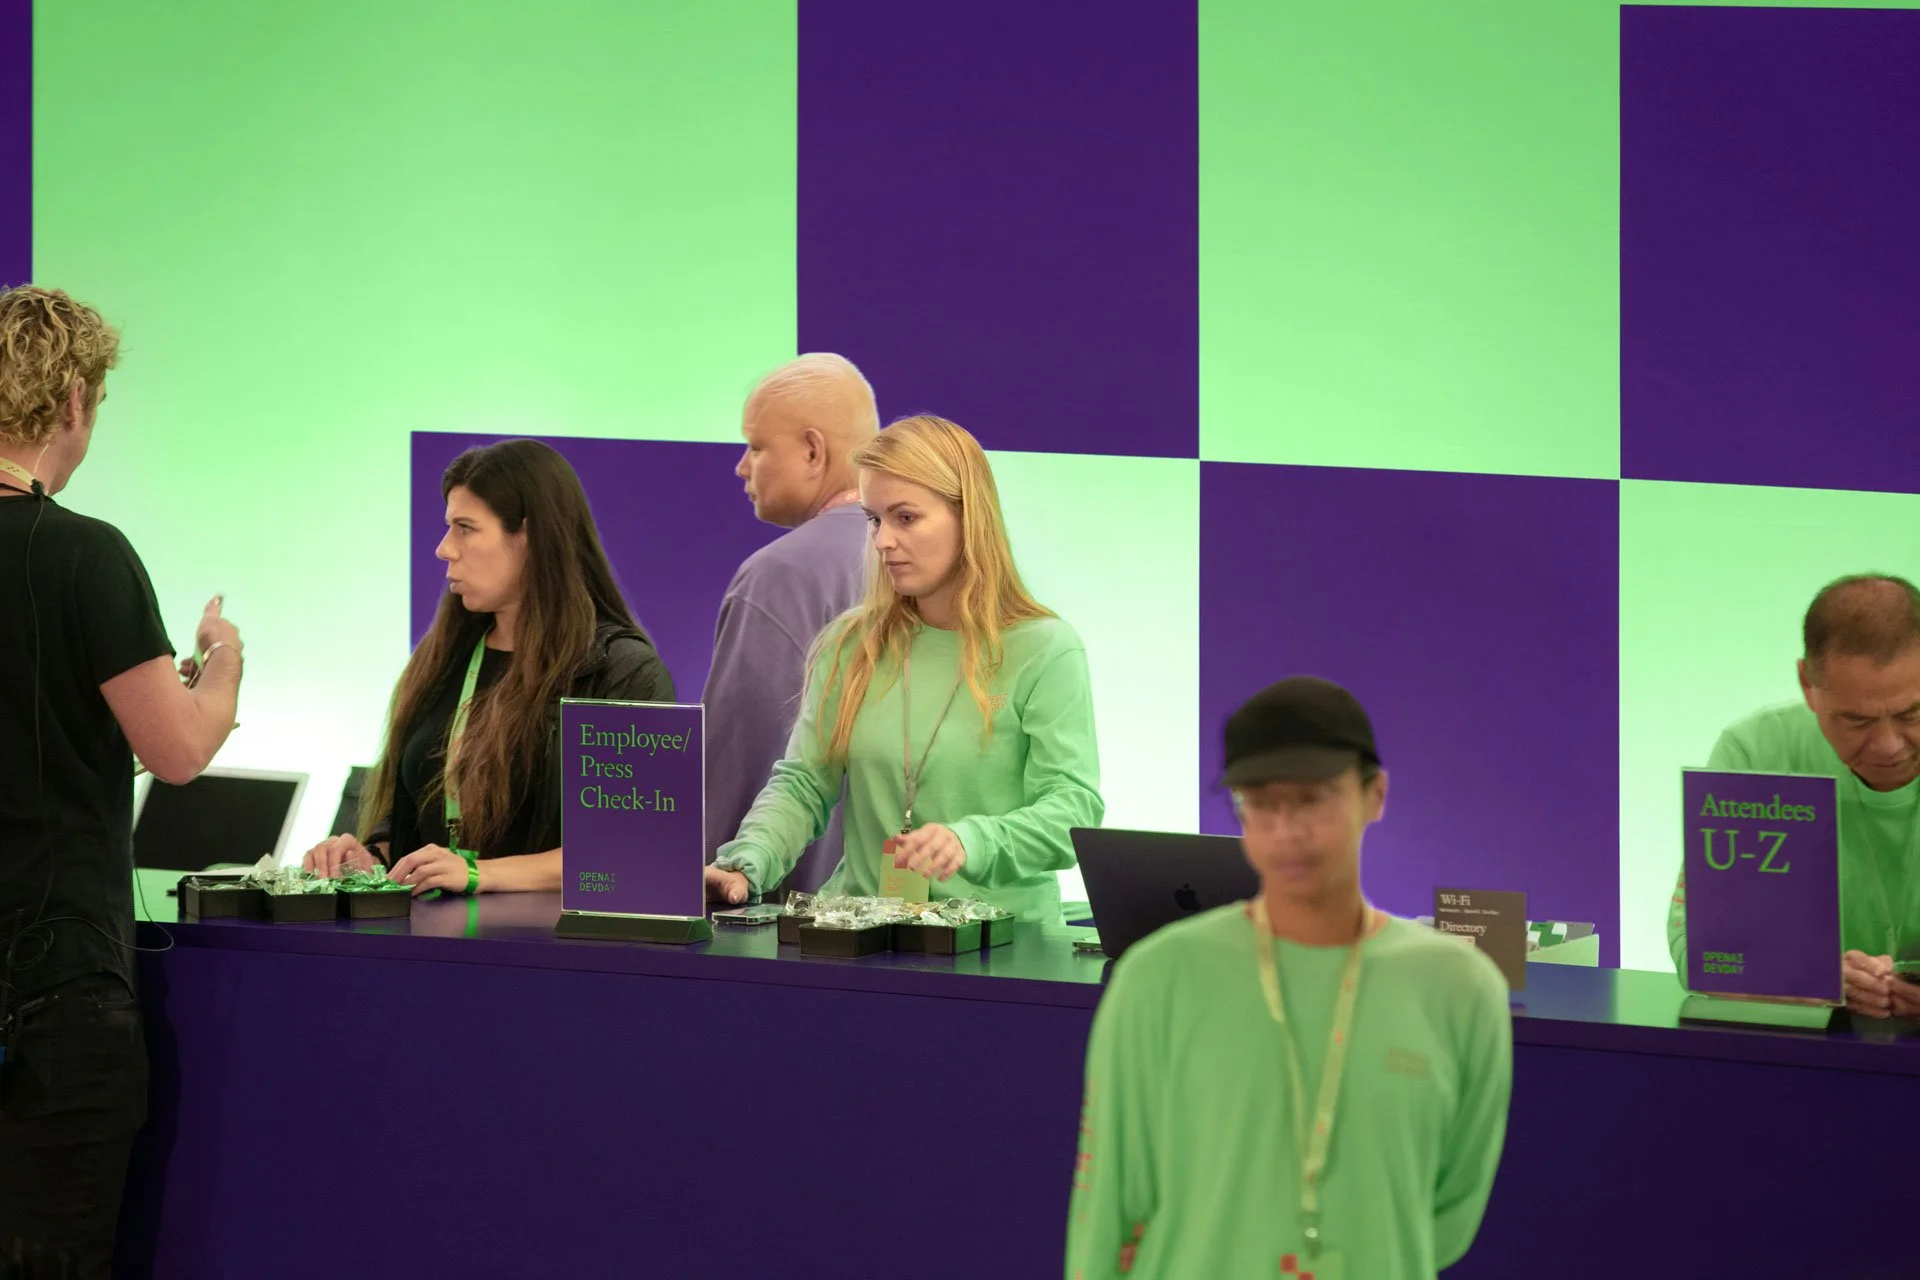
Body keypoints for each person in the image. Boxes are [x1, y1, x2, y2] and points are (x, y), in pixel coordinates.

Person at [1066, 677, 1512, 1280]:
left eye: (1312, 799)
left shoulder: (1459, 989)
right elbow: (1107, 1208)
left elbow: (1447, 1212)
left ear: (1375, 795)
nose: (1286, 829)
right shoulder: (1158, 979)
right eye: (1260, 802)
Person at [0, 286, 243, 1275]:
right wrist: (221, 664)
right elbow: (178, 750)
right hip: (50, 992)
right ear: (74, 401)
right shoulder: (84, 554)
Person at [704, 414, 1102, 921]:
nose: (882, 541)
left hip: (1002, 943)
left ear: (968, 518)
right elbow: (804, 784)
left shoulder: (1045, 649)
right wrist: (746, 862)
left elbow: (1072, 811)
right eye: (874, 519)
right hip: (862, 935)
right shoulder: (851, 644)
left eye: (906, 518)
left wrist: (973, 840)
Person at [303, 439, 672, 894]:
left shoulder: (621, 671)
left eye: (465, 528)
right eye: (449, 527)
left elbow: (632, 846)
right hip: (429, 931)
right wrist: (373, 857)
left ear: (530, 536)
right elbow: (420, 815)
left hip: (552, 936)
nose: (444, 549)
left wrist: (480, 874)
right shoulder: (444, 657)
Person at [1667, 574, 1920, 1020]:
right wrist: (1807, 976)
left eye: (1912, 714)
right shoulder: (1758, 751)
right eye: (1857, 721)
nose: (1888, 746)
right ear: (1807, 685)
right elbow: (1701, 950)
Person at [702, 354, 876, 895]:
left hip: (781, 911)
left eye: (756, 446)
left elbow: (737, 765)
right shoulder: (932, 568)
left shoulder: (777, 576)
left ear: (812, 451)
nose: (741, 467)